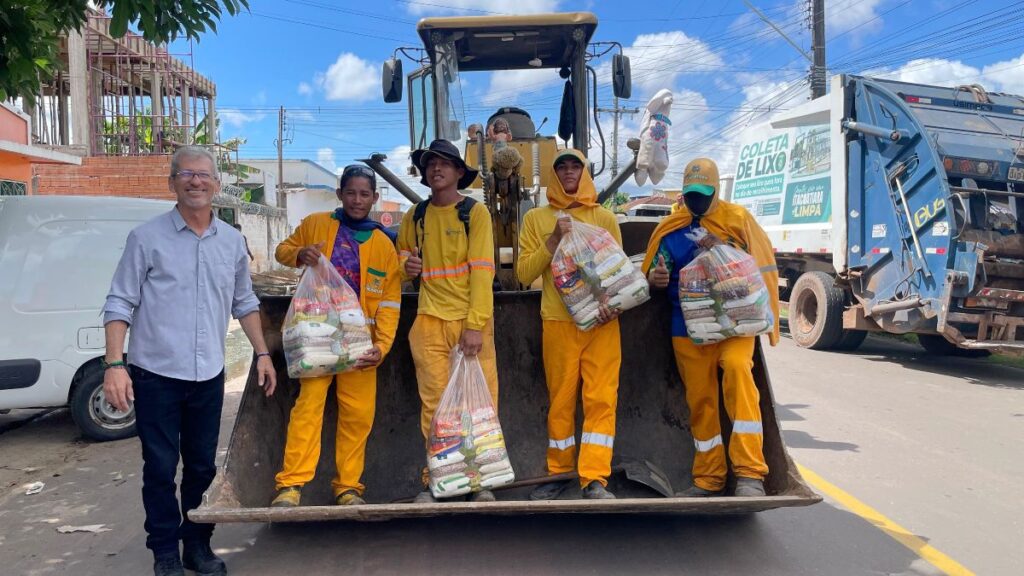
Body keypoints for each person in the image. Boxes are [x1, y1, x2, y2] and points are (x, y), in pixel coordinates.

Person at [101, 146, 277, 576]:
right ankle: (164, 552)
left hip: (207, 375)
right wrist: (113, 365)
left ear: (217, 185)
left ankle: (197, 545)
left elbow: (244, 301)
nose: (195, 182)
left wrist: (263, 353)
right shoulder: (146, 238)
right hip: (155, 373)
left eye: (204, 175)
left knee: (201, 465)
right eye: (186, 174)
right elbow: (119, 303)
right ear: (172, 183)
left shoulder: (232, 241)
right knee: (160, 467)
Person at [642, 157, 780, 498]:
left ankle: (750, 474)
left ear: (716, 189)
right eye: (691, 194)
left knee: (737, 371)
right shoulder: (671, 229)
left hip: (736, 322)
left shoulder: (737, 221)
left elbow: (760, 265)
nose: (697, 200)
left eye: (704, 193)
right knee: (700, 400)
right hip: (687, 326)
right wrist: (655, 278)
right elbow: (654, 272)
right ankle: (709, 478)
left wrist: (722, 248)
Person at [270, 165, 401, 508]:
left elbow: (389, 302)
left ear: (374, 198)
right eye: (351, 192)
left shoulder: (383, 244)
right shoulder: (317, 224)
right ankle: (290, 486)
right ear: (340, 194)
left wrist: (382, 345)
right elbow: (282, 250)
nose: (357, 200)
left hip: (361, 342)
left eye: (364, 194)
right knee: (308, 407)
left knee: (358, 415)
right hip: (317, 335)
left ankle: (348, 488)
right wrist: (299, 254)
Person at [396, 138, 499, 504]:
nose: (436, 168)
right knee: (435, 408)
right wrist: (404, 266)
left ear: (458, 172)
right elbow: (401, 259)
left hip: (471, 323)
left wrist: (474, 326)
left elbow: (483, 273)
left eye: (444, 163)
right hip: (428, 323)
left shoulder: (475, 213)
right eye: (430, 163)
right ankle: (437, 479)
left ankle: (480, 480)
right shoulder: (416, 216)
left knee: (480, 405)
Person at [517, 148, 622, 500]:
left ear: (585, 171)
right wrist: (554, 239)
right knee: (560, 401)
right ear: (553, 174)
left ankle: (594, 478)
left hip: (602, 324)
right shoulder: (536, 218)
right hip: (559, 322)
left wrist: (612, 304)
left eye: (575, 166)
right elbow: (524, 273)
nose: (568, 172)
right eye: (561, 166)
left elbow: (617, 271)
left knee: (601, 400)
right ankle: (559, 472)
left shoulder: (604, 218)